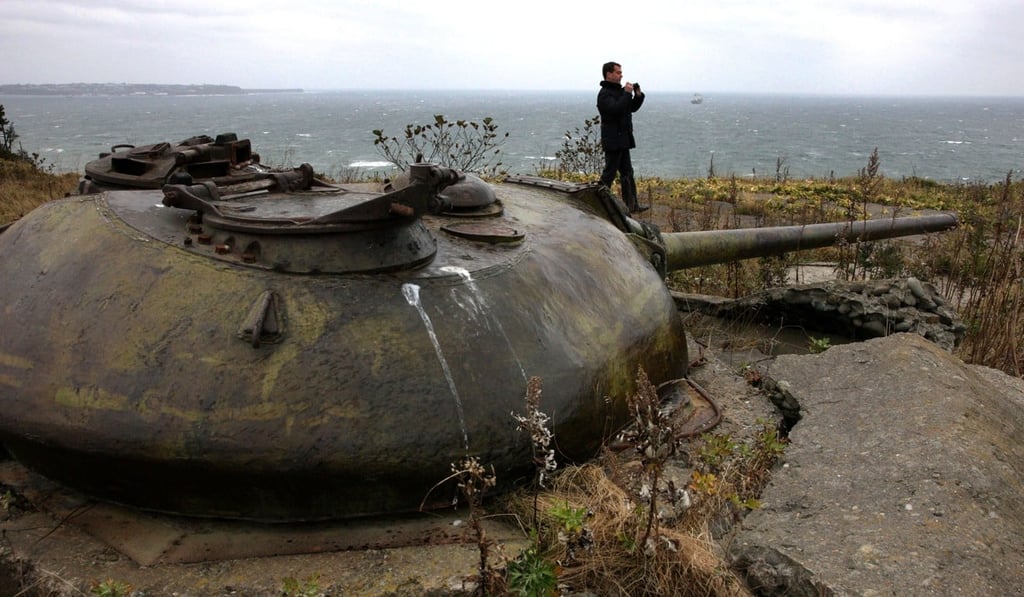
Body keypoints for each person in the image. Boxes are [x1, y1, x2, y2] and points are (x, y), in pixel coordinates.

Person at [597, 61, 648, 213]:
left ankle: (632, 205)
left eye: (621, 72)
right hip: (613, 140)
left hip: (623, 139)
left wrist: (637, 96)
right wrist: (626, 93)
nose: (621, 75)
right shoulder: (604, 94)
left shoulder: (618, 92)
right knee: (609, 173)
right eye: (618, 72)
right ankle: (598, 202)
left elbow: (630, 108)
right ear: (609, 74)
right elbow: (615, 109)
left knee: (627, 173)